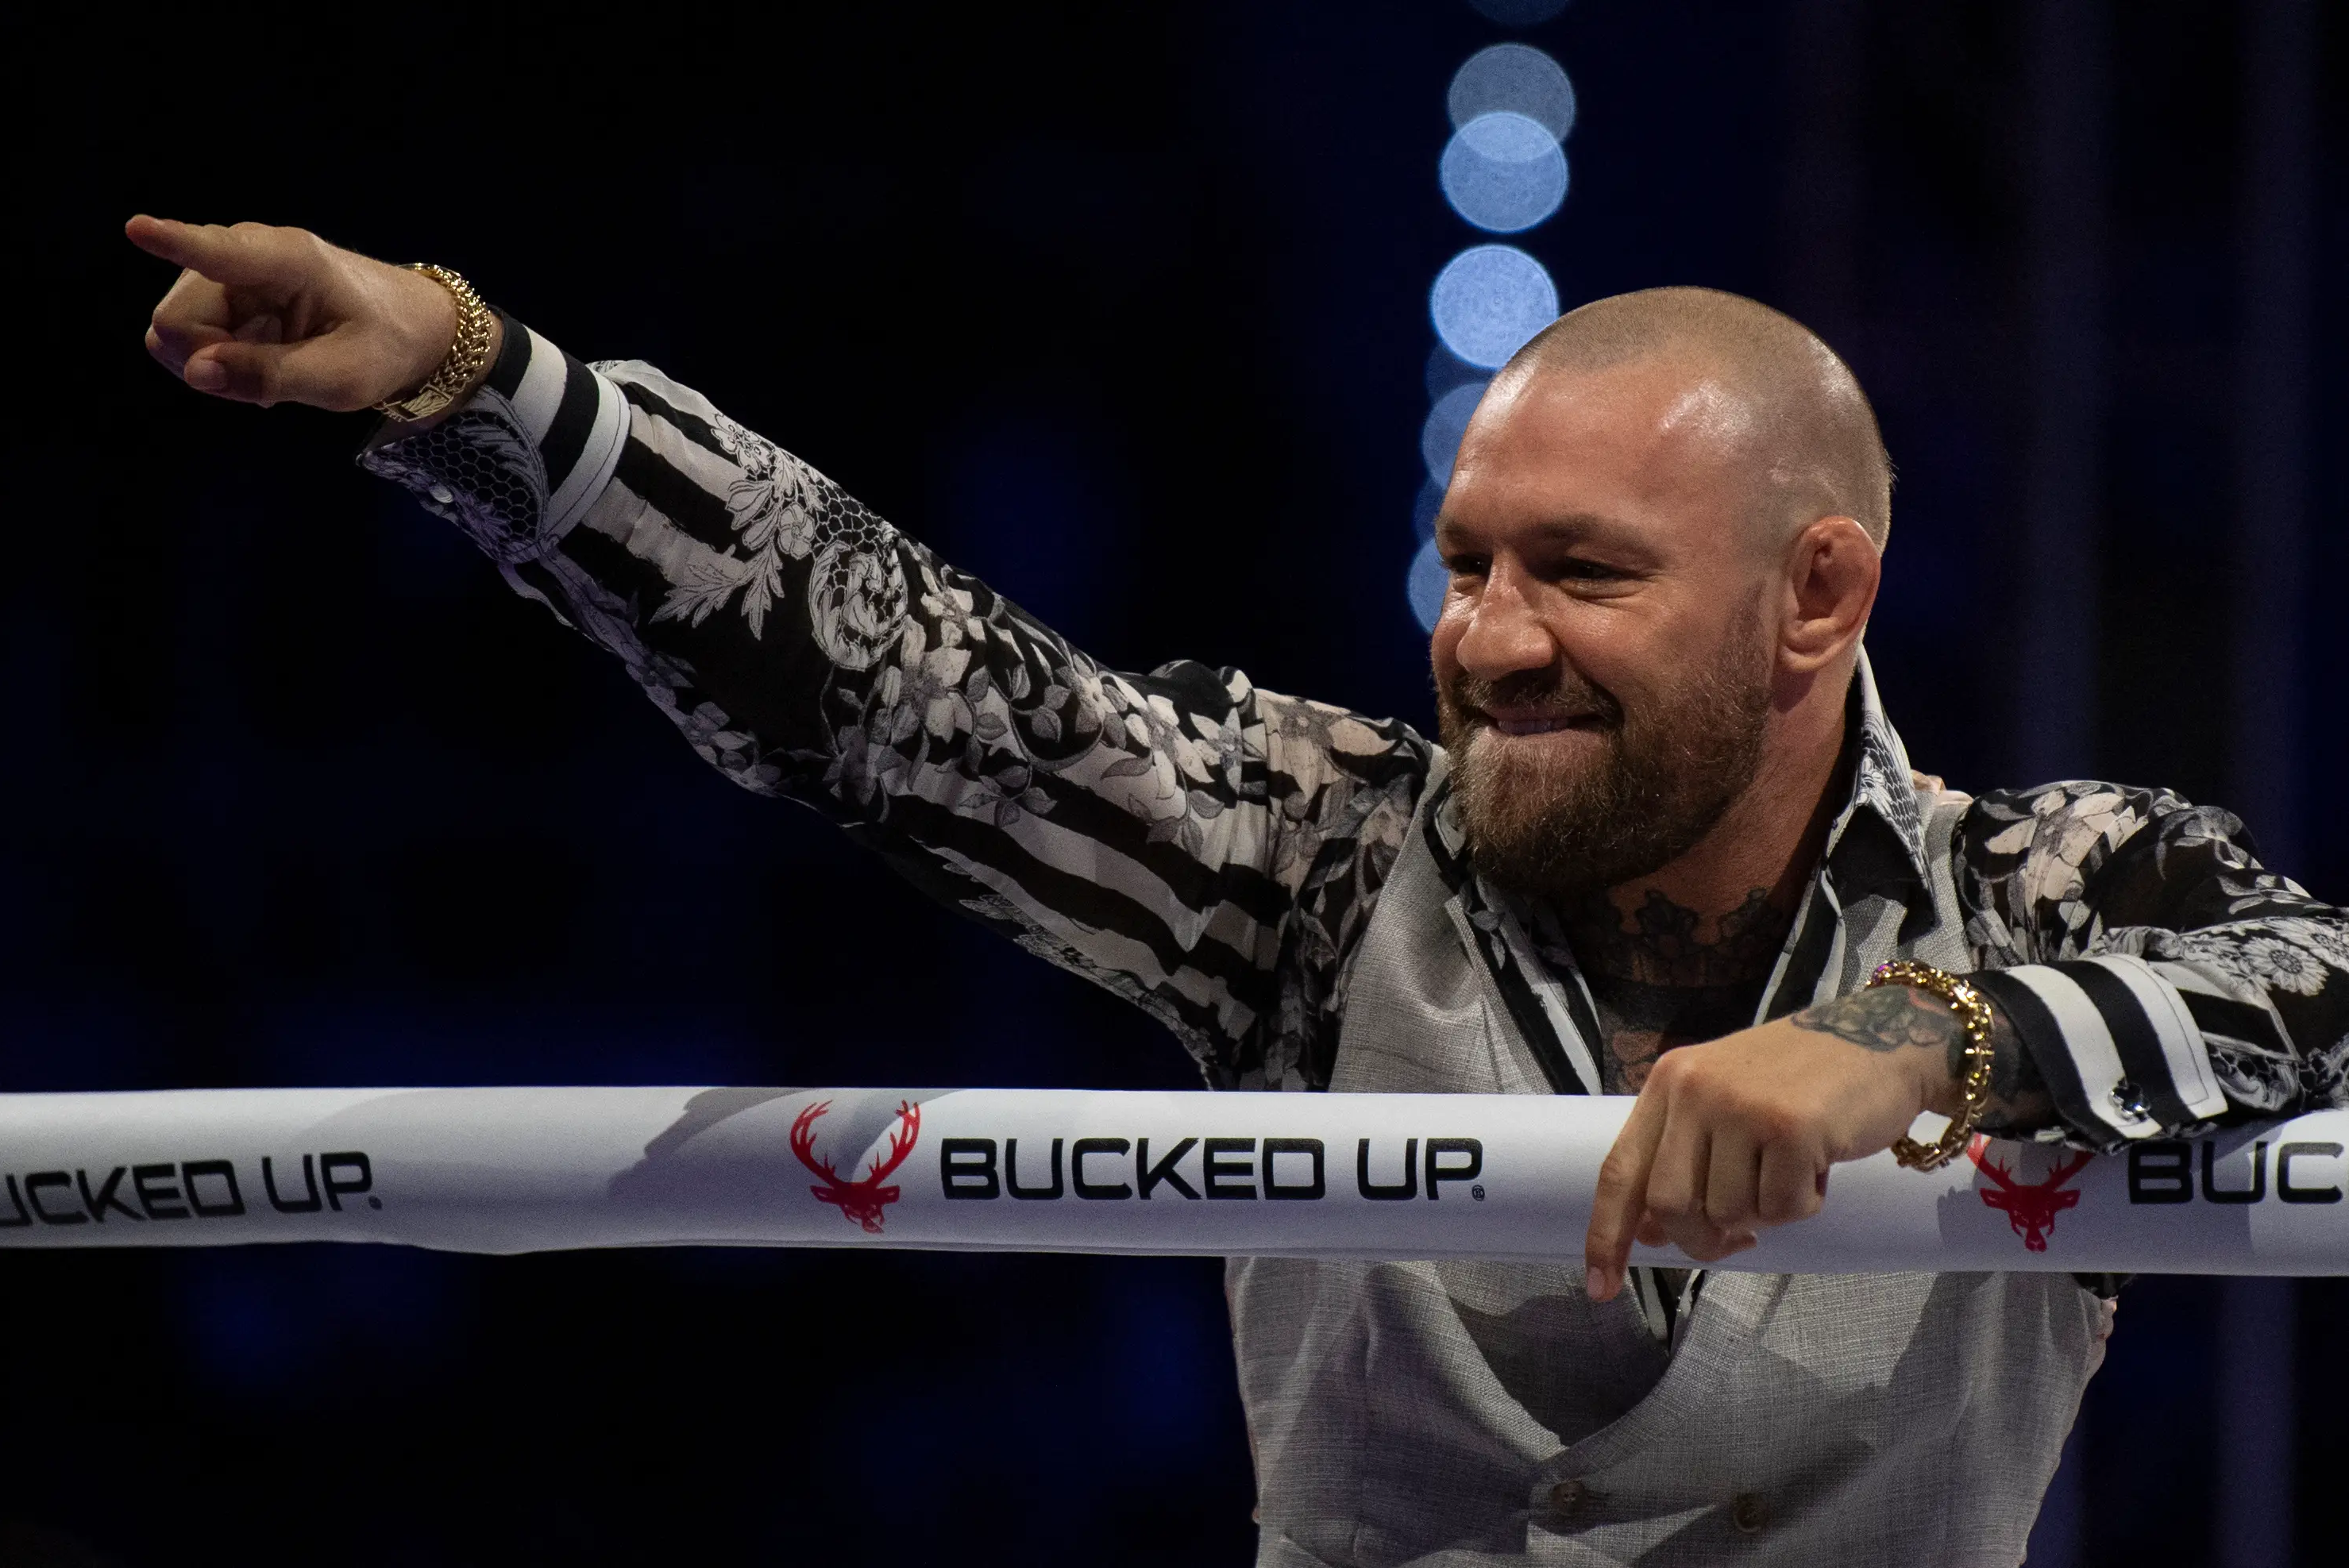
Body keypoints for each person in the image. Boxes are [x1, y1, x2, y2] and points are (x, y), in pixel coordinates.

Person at [126, 214, 2347, 1566]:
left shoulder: (2029, 882)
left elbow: (2315, 971)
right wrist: (479, 380)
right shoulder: (1317, 858)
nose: (1487, 638)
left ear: (1816, 595)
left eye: (1582, 572)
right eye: (1469, 563)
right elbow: (918, 690)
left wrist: (1924, 1041)